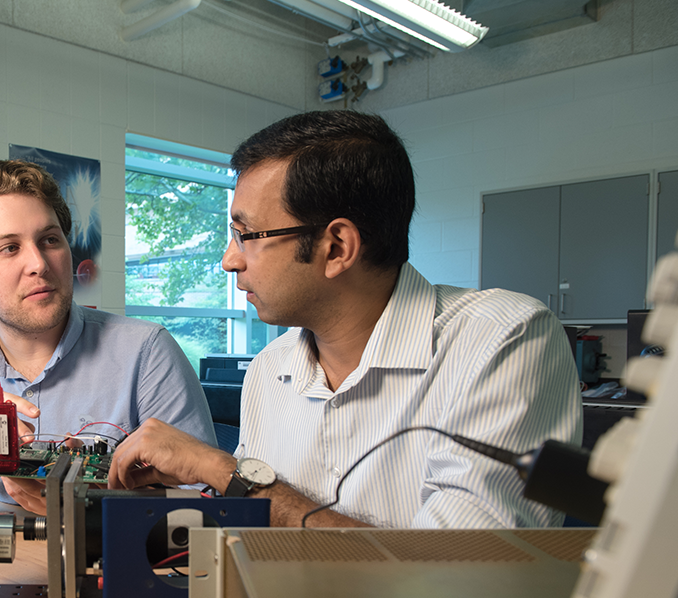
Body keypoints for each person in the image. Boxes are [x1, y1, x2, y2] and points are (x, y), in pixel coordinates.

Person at [107, 111, 582, 528]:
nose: (230, 260)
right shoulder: (271, 369)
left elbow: (452, 575)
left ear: (337, 248)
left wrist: (224, 472)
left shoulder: (500, 339)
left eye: (247, 234)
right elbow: (257, 538)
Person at [0, 159, 215, 514]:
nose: (40, 264)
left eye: (49, 240)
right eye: (10, 248)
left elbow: (208, 504)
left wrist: (96, 507)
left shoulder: (146, 351)